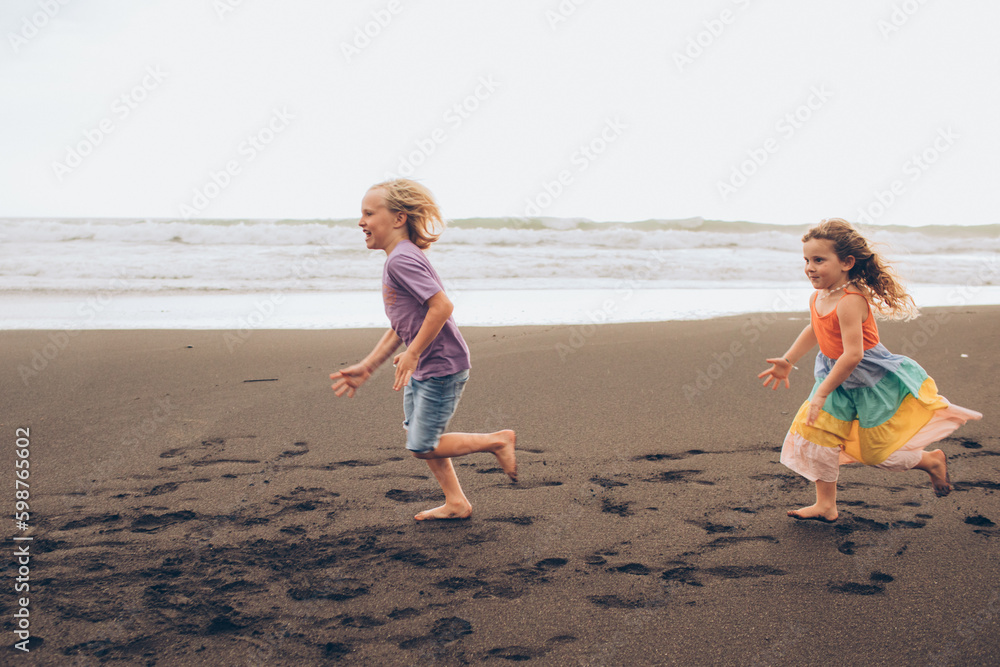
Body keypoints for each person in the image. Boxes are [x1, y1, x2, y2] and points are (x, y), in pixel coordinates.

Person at [758, 218, 982, 523]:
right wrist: (788, 360)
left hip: (868, 380)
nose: (810, 267)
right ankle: (826, 505)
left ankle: (930, 460)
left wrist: (822, 392)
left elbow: (853, 355)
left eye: (819, 260)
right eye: (806, 260)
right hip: (835, 377)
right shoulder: (819, 296)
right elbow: (816, 328)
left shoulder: (851, 301)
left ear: (847, 262)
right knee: (816, 435)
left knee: (875, 453)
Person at [330, 179, 517, 521]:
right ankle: (456, 502)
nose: (361, 222)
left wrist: (414, 352)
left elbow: (442, 307)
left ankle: (497, 441)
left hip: (441, 365)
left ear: (398, 218)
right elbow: (402, 324)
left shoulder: (401, 260)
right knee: (420, 434)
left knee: (421, 444)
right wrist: (368, 366)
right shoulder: (401, 258)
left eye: (369, 213)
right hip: (426, 364)